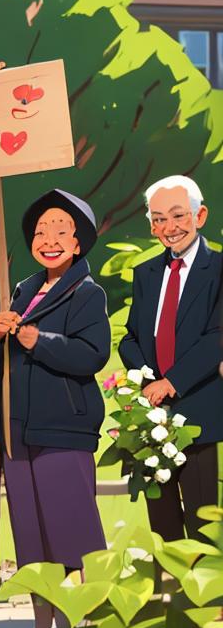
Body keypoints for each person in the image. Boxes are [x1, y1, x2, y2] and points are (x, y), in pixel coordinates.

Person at [0, 189, 110, 628]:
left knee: (72, 534)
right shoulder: (19, 290)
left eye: (61, 230)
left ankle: (81, 627)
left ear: (78, 241)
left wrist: (37, 341)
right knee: (32, 540)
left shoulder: (87, 294)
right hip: (17, 432)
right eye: (41, 230)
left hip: (62, 431)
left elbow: (92, 355)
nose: (49, 238)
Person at [119, 175, 223, 542]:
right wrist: (147, 382)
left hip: (198, 413)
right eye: (159, 218)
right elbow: (131, 338)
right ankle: (168, 597)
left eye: (178, 215)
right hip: (152, 414)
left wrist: (171, 382)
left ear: (200, 215)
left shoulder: (219, 268)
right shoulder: (146, 273)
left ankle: (205, 600)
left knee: (201, 523)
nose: (169, 227)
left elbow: (217, 337)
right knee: (161, 524)